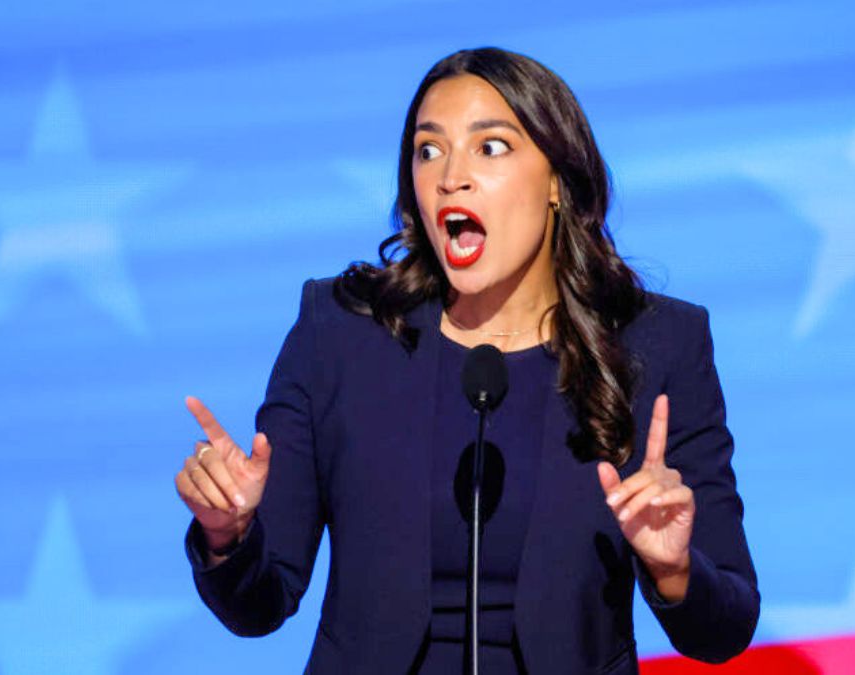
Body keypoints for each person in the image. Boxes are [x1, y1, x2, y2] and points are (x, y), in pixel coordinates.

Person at [175, 47, 759, 674]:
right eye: (429, 150)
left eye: (491, 147)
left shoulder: (657, 342)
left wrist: (673, 570)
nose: (451, 175)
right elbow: (259, 605)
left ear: (558, 180)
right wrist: (225, 537)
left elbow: (726, 625)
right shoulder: (341, 332)